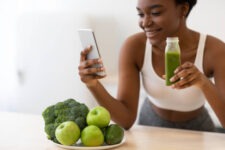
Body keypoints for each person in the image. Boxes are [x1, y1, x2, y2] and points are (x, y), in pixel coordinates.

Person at [78, 0, 225, 132]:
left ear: (183, 9)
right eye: (141, 14)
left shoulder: (214, 50)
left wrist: (203, 82)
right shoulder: (134, 47)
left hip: (198, 129)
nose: (145, 23)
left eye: (155, 13)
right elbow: (125, 120)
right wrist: (93, 84)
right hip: (149, 126)